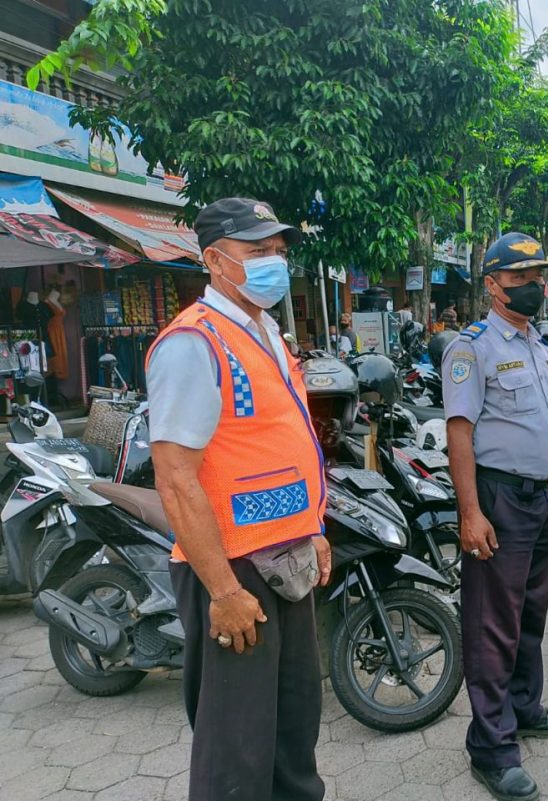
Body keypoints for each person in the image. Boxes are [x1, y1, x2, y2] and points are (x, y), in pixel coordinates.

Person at [147, 197, 331, 801]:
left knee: (294, 726)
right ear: (215, 261)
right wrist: (224, 591)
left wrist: (314, 529)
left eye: (278, 251)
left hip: (287, 560)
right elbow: (176, 477)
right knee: (238, 749)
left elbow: (280, 446)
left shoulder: (266, 331)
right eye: (258, 252)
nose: (273, 263)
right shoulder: (192, 344)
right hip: (234, 573)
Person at [442, 231, 548, 801]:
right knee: (492, 627)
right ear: (493, 285)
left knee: (530, 617)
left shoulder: (535, 341)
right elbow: (460, 435)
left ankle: (524, 708)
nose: (536, 288)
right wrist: (470, 513)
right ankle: (492, 749)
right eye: (522, 279)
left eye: (539, 277)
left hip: (543, 498)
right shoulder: (473, 348)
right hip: (500, 502)